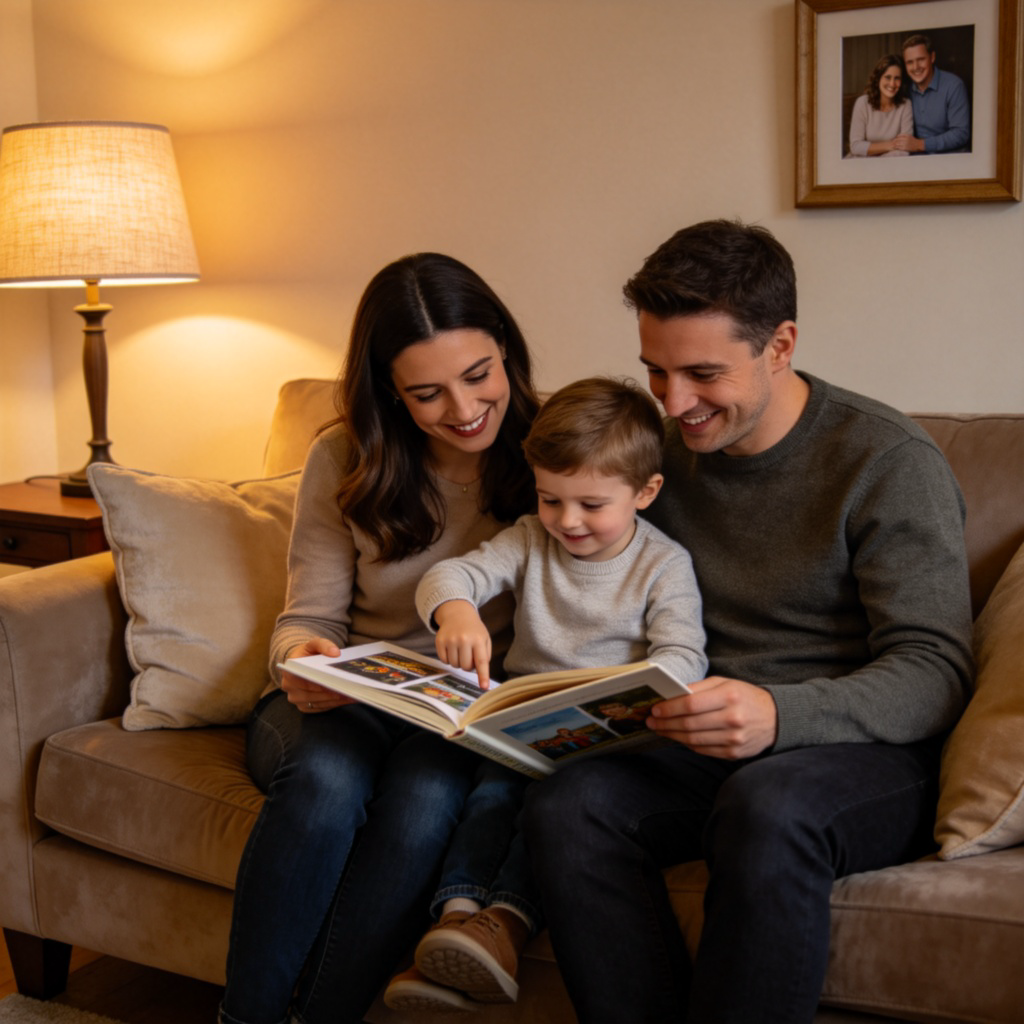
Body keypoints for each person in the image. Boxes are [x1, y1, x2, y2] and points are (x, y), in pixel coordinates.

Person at [522, 219, 974, 1024]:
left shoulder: (886, 461)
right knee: (570, 805)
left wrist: (780, 714)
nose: (677, 404)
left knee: (767, 806)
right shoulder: (656, 458)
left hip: (862, 753)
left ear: (780, 344)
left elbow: (934, 670)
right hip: (704, 738)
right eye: (656, 373)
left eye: (702, 374)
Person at [219, 252, 541, 1024]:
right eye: (426, 394)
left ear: (505, 348)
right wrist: (302, 661)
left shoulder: (554, 446)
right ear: (390, 393)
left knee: (427, 802)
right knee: (329, 788)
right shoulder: (345, 456)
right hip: (338, 703)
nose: (463, 409)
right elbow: (310, 618)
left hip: (455, 722)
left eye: (478, 374)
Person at [383, 376, 708, 1015]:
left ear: (646, 492)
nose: (567, 521)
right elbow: (455, 574)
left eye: (591, 504)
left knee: (545, 812)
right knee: (490, 796)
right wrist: (455, 612)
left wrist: (639, 691)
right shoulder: (532, 538)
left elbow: (683, 655)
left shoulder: (664, 565)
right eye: (550, 498)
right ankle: (456, 921)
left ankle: (500, 921)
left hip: (607, 745)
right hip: (520, 727)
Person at [892, 33, 970, 153]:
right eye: (910, 62)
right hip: (918, 162)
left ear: (932, 57)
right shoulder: (904, 89)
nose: (916, 67)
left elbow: (961, 133)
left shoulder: (954, 86)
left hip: (951, 161)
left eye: (921, 59)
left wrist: (921, 144)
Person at [847, 54, 913, 157]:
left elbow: (905, 148)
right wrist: (889, 145)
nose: (892, 84)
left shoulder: (905, 105)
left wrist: (879, 166)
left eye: (897, 78)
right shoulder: (862, 103)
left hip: (891, 167)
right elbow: (856, 146)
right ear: (878, 78)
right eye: (887, 77)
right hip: (860, 166)